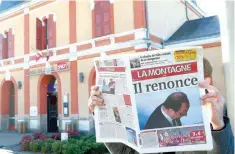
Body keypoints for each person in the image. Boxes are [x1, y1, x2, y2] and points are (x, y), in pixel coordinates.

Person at [88, 58, 234, 154]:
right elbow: (124, 152)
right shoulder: (151, 117)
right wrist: (100, 111)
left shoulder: (222, 113)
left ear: (207, 81)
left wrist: (218, 125)